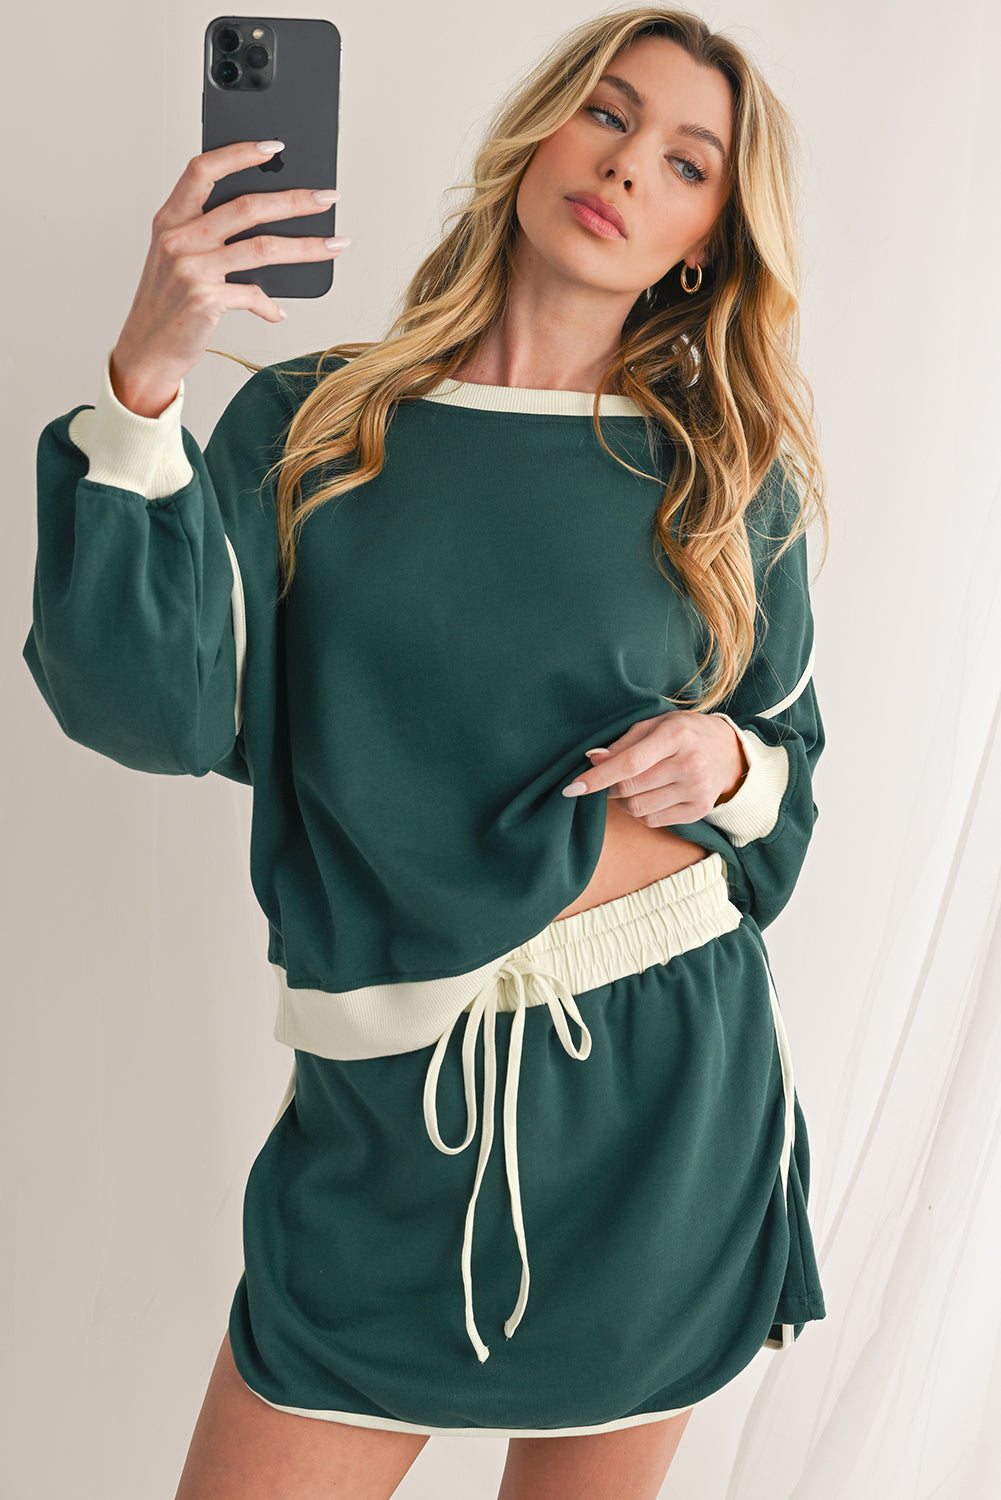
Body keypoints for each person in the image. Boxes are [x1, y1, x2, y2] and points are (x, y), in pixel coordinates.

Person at [22, 7, 831, 1498]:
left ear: (706, 243)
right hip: (385, 1109)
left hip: (662, 1095)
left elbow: (786, 777)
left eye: (686, 161)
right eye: (606, 113)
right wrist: (145, 380)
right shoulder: (315, 423)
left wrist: (726, 767)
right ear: (536, 133)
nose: (627, 165)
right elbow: (151, 712)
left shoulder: (721, 478)